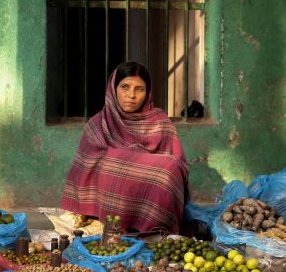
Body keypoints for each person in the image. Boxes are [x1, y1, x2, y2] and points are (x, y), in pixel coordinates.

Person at [60, 61, 189, 234]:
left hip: (150, 195)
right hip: (109, 203)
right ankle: (116, 224)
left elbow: (177, 165)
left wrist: (133, 161)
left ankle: (156, 231)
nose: (131, 95)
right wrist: (127, 161)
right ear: (113, 89)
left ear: (148, 93)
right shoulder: (98, 124)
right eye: (125, 87)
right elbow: (89, 167)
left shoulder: (161, 122)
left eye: (139, 89)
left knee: (169, 170)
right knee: (110, 165)